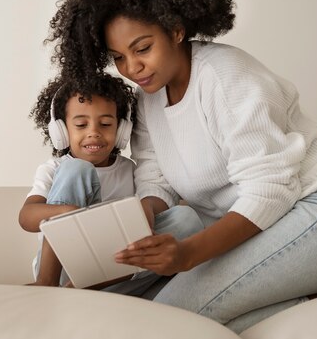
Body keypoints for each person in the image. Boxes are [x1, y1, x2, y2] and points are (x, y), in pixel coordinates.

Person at [44, 0, 317, 332]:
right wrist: (134, 222)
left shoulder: (227, 77)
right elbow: (157, 181)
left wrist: (188, 255)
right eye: (119, 57)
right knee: (147, 311)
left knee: (170, 320)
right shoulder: (149, 100)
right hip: (264, 230)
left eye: (143, 48)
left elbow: (270, 191)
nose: (132, 67)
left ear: (175, 29)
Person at [18, 72, 202, 291]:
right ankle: (46, 283)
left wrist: (145, 213)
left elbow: (150, 215)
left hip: (114, 272)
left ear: (121, 130)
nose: (94, 133)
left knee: (186, 218)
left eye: (105, 124)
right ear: (62, 131)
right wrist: (66, 212)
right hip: (65, 268)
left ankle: (84, 289)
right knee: (77, 169)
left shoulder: (129, 170)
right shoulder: (54, 169)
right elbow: (26, 218)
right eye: (81, 125)